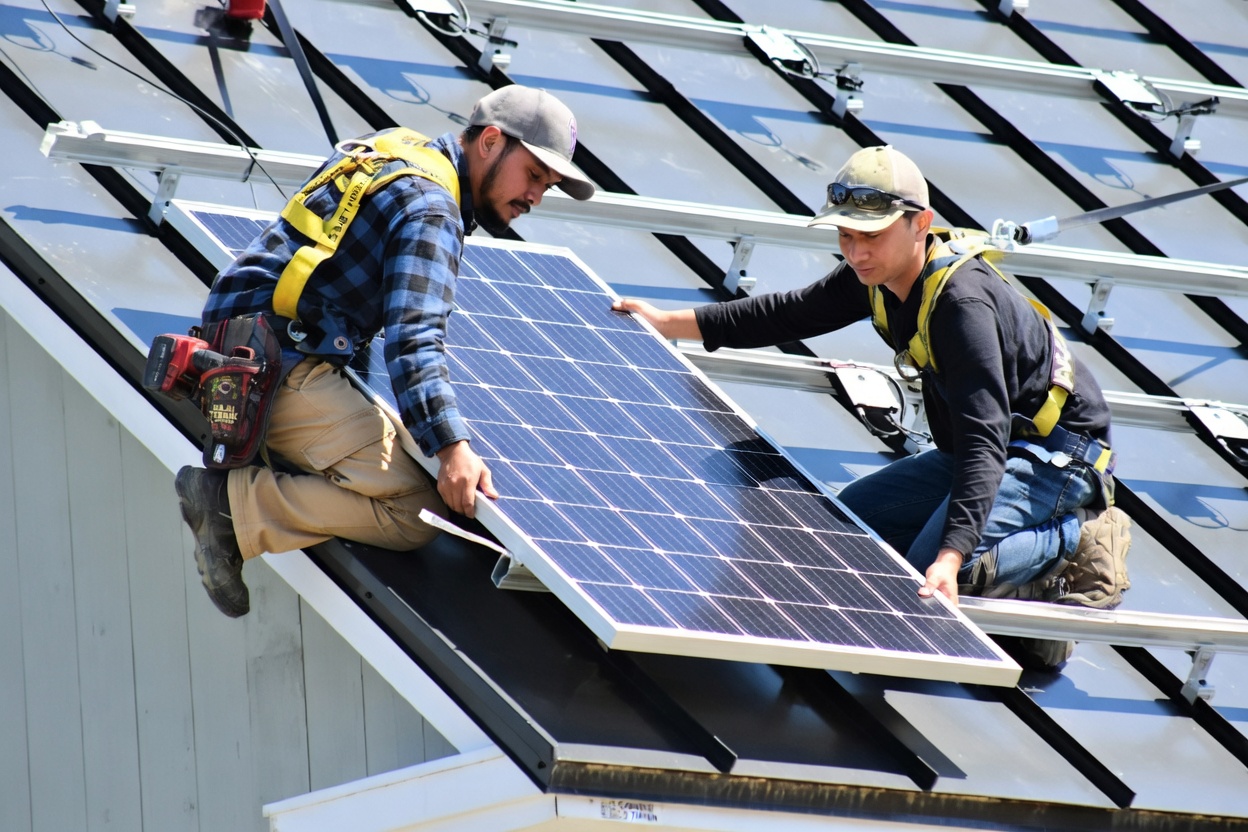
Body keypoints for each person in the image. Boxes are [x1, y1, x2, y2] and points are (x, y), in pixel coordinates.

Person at [614, 145, 1131, 669]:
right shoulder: (877, 280)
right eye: (847, 235)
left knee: (929, 575)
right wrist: (668, 322)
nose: (857, 252)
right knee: (844, 535)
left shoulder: (962, 307)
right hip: (979, 452)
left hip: (1055, 459)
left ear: (920, 224)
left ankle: (1074, 541)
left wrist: (951, 556)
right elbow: (787, 314)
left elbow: (985, 440)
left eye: (872, 235)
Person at [175, 85, 595, 618]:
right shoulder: (433, 208)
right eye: (534, 175)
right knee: (416, 509)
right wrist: (450, 447)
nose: (535, 196)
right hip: (273, 366)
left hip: (241, 339)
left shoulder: (396, 147)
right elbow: (414, 338)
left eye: (548, 185)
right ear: (491, 141)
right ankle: (231, 509)